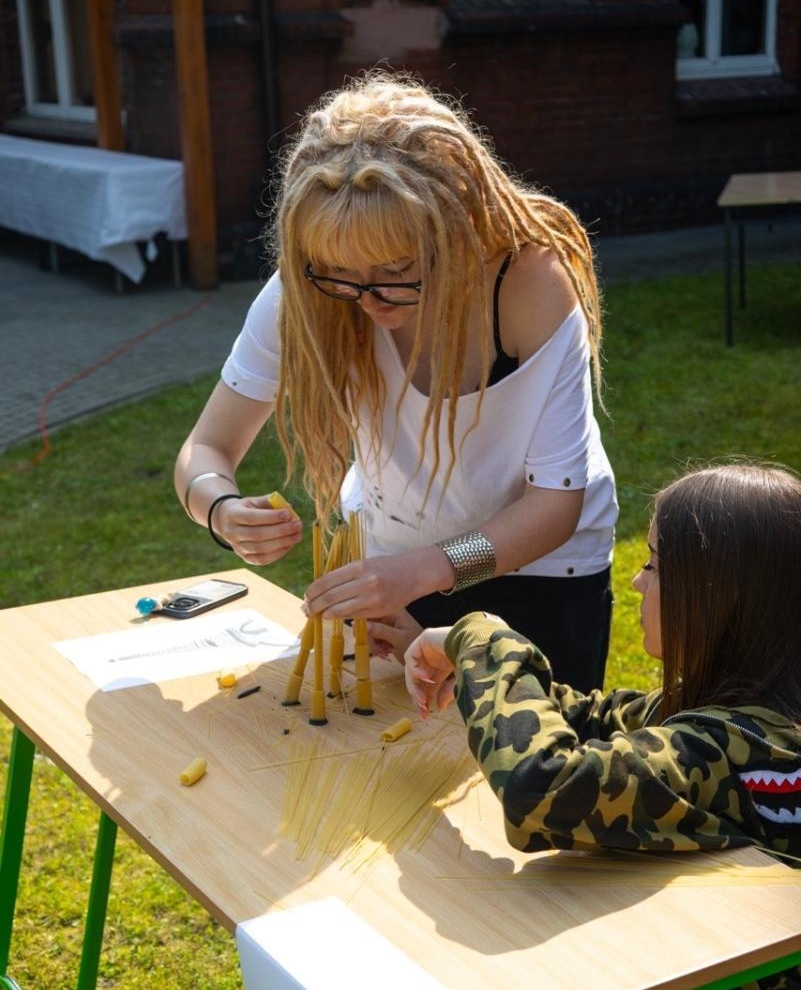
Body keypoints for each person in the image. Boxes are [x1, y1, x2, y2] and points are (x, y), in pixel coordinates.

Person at [388, 461, 801, 990]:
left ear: (718, 595)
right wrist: (475, 666)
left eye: (655, 566)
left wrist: (480, 637)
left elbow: (543, 785)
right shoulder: (756, 716)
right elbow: (592, 719)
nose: (639, 584)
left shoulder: (742, 753)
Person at [174, 71, 617, 692]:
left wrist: (424, 570)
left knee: (534, 772)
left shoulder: (527, 285)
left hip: (541, 575)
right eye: (341, 275)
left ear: (456, 227)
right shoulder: (307, 290)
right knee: (394, 766)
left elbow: (555, 506)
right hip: (395, 568)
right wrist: (219, 508)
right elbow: (205, 451)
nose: (369, 299)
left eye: (397, 271)